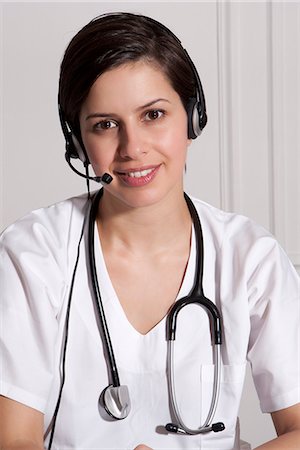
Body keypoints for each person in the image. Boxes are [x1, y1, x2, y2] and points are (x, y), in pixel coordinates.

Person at [0, 12, 299, 450]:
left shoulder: (249, 256)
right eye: (105, 124)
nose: (133, 147)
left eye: (153, 114)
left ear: (192, 119)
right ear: (78, 143)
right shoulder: (33, 254)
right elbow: (12, 438)